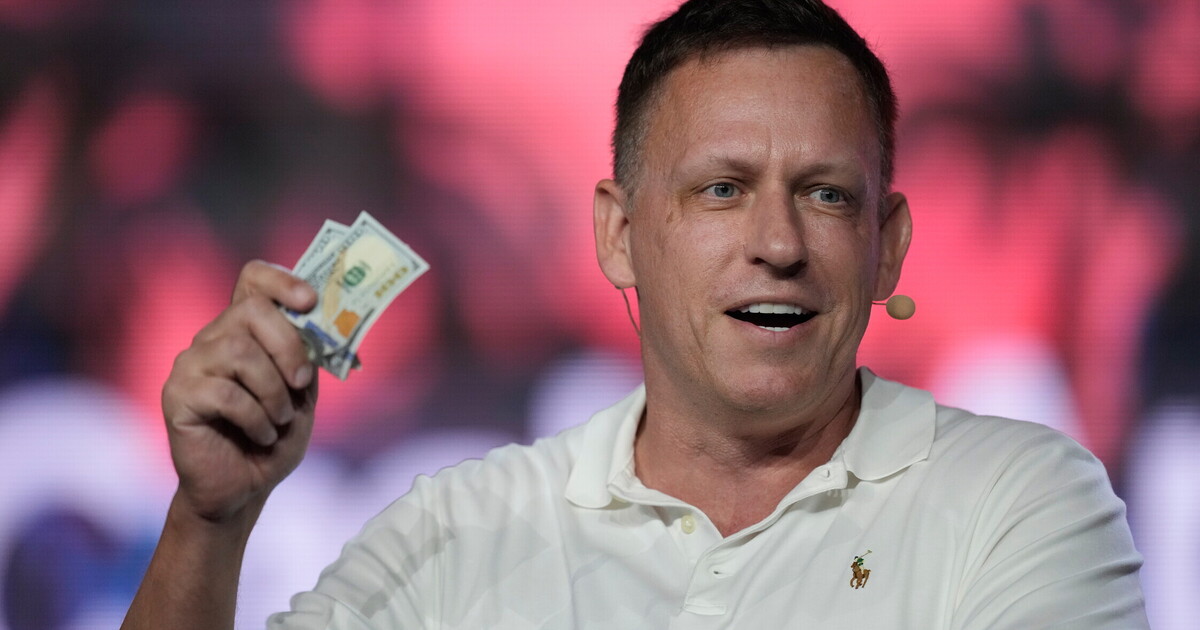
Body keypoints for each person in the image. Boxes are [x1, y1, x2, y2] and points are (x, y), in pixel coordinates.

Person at [121, 0, 1149, 627]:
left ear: (888, 244)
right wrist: (209, 522)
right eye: (721, 190)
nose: (779, 243)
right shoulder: (457, 528)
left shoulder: (1021, 500)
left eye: (827, 195)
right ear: (618, 234)